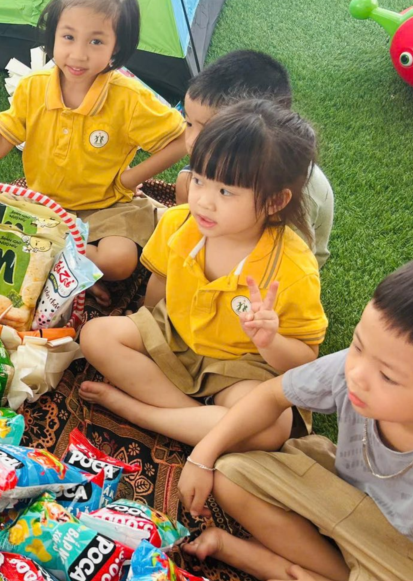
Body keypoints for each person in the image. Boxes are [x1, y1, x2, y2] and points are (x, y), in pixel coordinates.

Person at [179, 250, 413, 581]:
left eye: (388, 377)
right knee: (230, 476)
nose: (356, 374)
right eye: (358, 346)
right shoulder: (358, 368)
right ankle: (331, 573)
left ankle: (279, 566)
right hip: (344, 497)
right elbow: (271, 395)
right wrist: (201, 456)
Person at [79, 100, 327, 450]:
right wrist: (144, 328)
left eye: (226, 191)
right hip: (174, 333)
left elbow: (305, 357)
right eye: (198, 180)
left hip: (241, 367)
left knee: (274, 426)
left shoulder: (294, 267)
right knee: (95, 336)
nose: (204, 201)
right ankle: (201, 421)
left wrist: (269, 341)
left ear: (274, 202)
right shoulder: (178, 222)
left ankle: (140, 413)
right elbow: (159, 284)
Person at [0, 0, 186, 300]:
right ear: (53, 34)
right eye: (68, 37)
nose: (79, 54)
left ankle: (54, 262)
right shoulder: (33, 88)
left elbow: (181, 140)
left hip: (107, 208)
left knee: (119, 262)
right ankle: (71, 271)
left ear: (117, 48)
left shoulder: (128, 97)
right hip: (45, 207)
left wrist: (130, 178)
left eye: (96, 41)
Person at [177, 50, 335, 267]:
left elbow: (293, 257)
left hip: (272, 261)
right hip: (234, 215)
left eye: (207, 129)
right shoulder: (227, 159)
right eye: (188, 123)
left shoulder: (295, 195)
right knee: (184, 182)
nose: (192, 141)